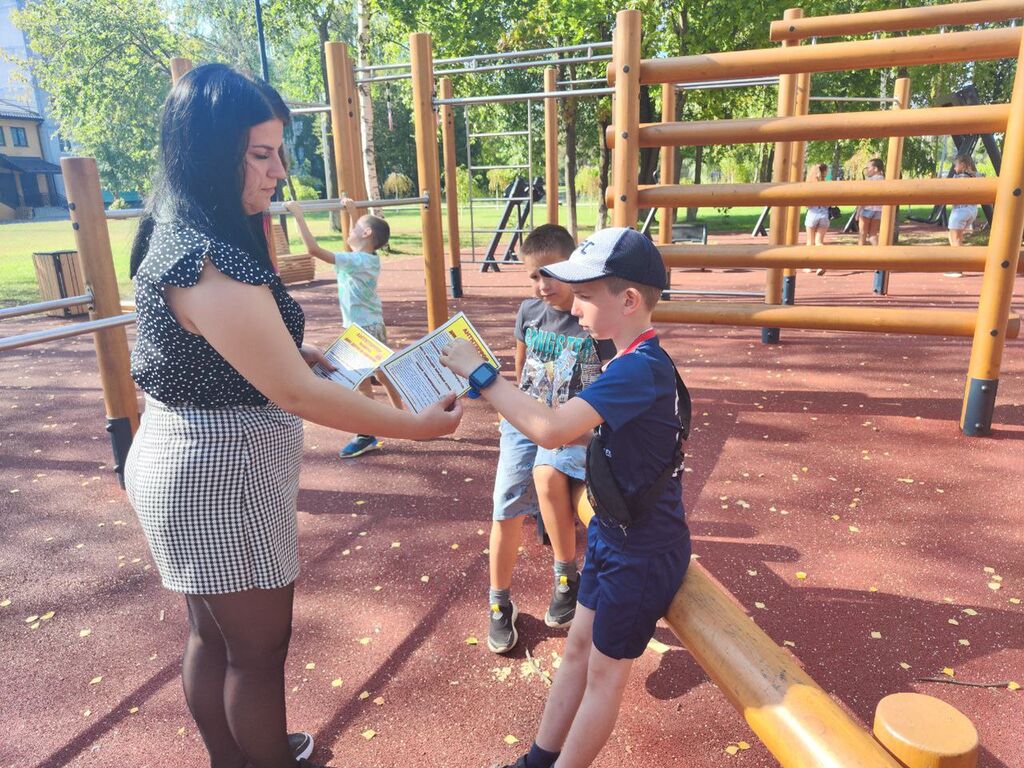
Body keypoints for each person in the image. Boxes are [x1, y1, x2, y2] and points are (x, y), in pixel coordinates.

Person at [124, 64, 462, 768]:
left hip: (192, 455)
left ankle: (236, 758)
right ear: (208, 152)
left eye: (280, 151)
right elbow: (299, 396)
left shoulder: (180, 228)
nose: (279, 170)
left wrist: (289, 351)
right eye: (261, 153)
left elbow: (223, 348)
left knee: (214, 636)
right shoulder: (207, 256)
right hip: (221, 472)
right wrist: (419, 426)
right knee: (256, 650)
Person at [440, 228, 691, 768]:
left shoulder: (640, 368)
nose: (574, 308)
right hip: (611, 534)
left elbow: (552, 430)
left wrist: (482, 374)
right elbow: (579, 430)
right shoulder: (626, 359)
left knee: (604, 676)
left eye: (585, 296)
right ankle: (537, 759)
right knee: (577, 649)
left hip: (641, 551)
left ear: (629, 300)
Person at [486, 224, 615, 655]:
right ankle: (499, 602)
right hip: (524, 421)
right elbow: (521, 365)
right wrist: (509, 409)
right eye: (533, 276)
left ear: (573, 268)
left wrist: (589, 431)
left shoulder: (591, 320)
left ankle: (565, 575)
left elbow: (610, 380)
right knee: (505, 506)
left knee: (550, 477)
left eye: (550, 273)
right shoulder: (528, 312)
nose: (542, 284)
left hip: (570, 425)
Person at [284, 197, 402, 457]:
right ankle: (405, 418)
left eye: (355, 227)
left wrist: (298, 214)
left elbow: (314, 250)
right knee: (382, 374)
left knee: (360, 381)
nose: (349, 232)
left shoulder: (356, 261)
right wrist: (352, 214)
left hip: (361, 331)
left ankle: (366, 434)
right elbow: (354, 244)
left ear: (366, 233)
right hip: (373, 325)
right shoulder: (369, 259)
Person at [945, 154, 982, 276]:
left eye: (955, 165)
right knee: (957, 238)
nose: (954, 168)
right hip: (972, 210)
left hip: (960, 210)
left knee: (954, 239)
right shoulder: (977, 176)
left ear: (962, 165)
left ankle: (957, 267)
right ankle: (958, 265)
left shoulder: (959, 177)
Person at [804, 163, 831, 275]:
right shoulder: (827, 186)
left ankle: (808, 266)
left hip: (812, 214)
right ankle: (821, 264)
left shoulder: (810, 186)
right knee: (819, 242)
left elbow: (807, 204)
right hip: (824, 215)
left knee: (810, 242)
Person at [857, 158, 885, 247]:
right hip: (878, 210)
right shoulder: (884, 180)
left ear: (875, 169)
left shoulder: (870, 180)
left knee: (862, 234)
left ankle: (860, 253)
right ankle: (878, 253)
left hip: (867, 208)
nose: (866, 170)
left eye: (868, 168)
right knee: (873, 234)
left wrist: (858, 211)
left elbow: (864, 196)